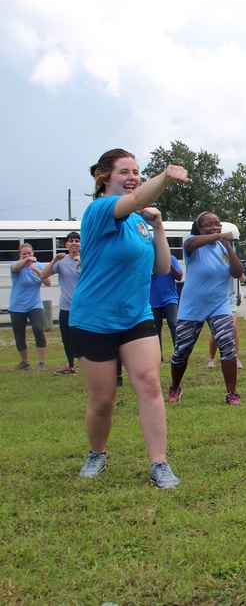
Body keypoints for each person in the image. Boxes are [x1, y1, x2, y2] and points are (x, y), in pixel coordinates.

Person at [71, 147, 187, 488]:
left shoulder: (140, 222)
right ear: (104, 177)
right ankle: (97, 453)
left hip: (136, 317)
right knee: (103, 398)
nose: (132, 176)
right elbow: (136, 198)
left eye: (136, 171)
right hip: (94, 318)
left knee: (150, 384)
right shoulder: (99, 210)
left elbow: (162, 267)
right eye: (124, 171)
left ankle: (159, 463)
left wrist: (159, 228)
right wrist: (165, 176)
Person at [167, 212, 244, 405]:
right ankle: (175, 386)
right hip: (192, 306)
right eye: (208, 225)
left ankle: (231, 393)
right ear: (200, 228)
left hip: (219, 305)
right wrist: (218, 236)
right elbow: (190, 245)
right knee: (182, 351)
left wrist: (227, 245)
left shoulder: (223, 248)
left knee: (228, 346)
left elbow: (237, 272)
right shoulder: (192, 242)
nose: (215, 227)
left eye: (217, 224)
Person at [40, 232, 81, 374]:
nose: (74, 243)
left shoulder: (86, 259)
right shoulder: (61, 263)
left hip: (83, 307)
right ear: (66, 244)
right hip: (66, 306)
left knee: (84, 337)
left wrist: (81, 261)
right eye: (71, 241)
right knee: (66, 338)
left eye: (76, 240)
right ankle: (70, 367)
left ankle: (91, 366)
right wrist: (54, 260)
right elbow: (43, 275)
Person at [9, 243, 51, 371]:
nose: (27, 255)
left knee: (39, 330)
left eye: (29, 253)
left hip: (35, 304)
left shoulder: (38, 266)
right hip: (17, 306)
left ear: (33, 253)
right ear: (20, 255)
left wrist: (36, 269)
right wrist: (26, 261)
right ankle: (25, 361)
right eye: (24, 254)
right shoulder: (15, 265)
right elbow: (16, 268)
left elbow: (48, 283)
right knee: (19, 335)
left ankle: (42, 363)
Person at [149, 253, 183, 361]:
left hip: (170, 297)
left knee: (173, 323)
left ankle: (178, 352)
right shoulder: (150, 260)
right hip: (154, 298)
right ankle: (158, 355)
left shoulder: (172, 259)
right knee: (156, 326)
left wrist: (169, 264)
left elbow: (179, 277)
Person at [208, 274, 245, 369]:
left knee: (234, 329)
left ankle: (236, 359)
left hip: (230, 301)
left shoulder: (231, 261)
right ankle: (212, 359)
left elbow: (243, 278)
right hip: (217, 301)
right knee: (216, 332)